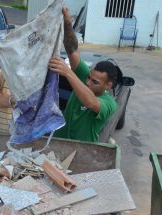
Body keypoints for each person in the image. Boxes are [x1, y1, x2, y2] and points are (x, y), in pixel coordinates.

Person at [48, 8, 118, 142]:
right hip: (59, 141)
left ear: (108, 85)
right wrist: (67, 24)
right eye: (89, 78)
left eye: (95, 82)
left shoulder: (110, 104)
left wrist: (68, 72)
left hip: (83, 150)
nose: (88, 82)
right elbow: (72, 50)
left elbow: (91, 102)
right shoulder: (86, 77)